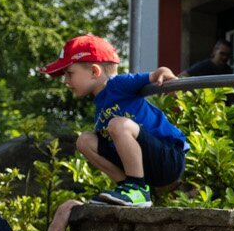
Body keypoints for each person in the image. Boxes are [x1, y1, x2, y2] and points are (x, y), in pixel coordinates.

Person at [42, 33, 187, 208]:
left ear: (94, 71)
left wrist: (166, 75)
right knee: (84, 140)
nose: (65, 81)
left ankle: (137, 189)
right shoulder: (100, 104)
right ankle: (126, 187)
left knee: (118, 124)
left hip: (168, 158)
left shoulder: (119, 84)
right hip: (145, 168)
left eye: (69, 73)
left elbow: (157, 73)